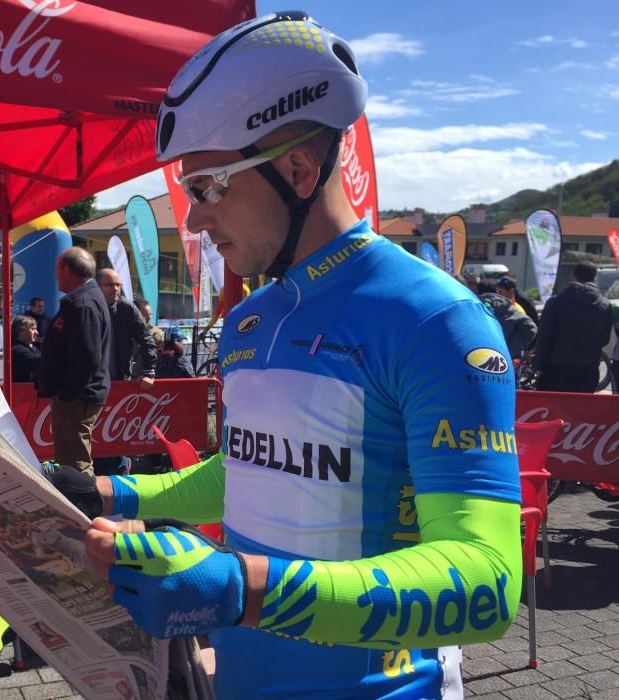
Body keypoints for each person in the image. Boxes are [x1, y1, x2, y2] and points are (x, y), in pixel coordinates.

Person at [72, 13, 521, 699]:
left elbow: (486, 581)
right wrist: (110, 492)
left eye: (207, 187)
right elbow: (254, 467)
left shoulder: (438, 322)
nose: (192, 219)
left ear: (298, 168)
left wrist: (242, 590)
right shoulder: (251, 319)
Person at [36, 247, 111, 475]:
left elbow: (87, 357)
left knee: (75, 464)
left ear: (66, 270)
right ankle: (81, 504)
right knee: (71, 461)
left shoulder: (84, 304)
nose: (56, 275)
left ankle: (84, 507)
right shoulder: (83, 300)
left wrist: (66, 394)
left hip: (78, 399)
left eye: (58, 270)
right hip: (78, 396)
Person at [535, 261, 612, 392]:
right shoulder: (605, 306)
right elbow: (604, 339)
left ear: (574, 277)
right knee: (579, 411)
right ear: (595, 278)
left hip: (555, 369)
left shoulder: (556, 302)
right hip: (588, 371)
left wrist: (539, 366)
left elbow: (544, 337)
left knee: (552, 411)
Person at [97, 268, 156, 388]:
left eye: (118, 285)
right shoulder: (88, 306)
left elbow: (146, 338)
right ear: (97, 287)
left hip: (119, 381)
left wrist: (148, 372)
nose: (115, 289)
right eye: (110, 285)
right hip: (90, 384)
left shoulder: (127, 308)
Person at [478, 283, 537, 360]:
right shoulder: (514, 308)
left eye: (501, 291)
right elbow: (530, 327)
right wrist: (507, 352)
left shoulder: (476, 306)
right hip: (506, 361)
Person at [11, 315, 41, 383]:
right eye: (32, 329)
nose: (36, 332)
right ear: (21, 331)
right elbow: (39, 361)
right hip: (21, 391)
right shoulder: (18, 350)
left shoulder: (31, 347)